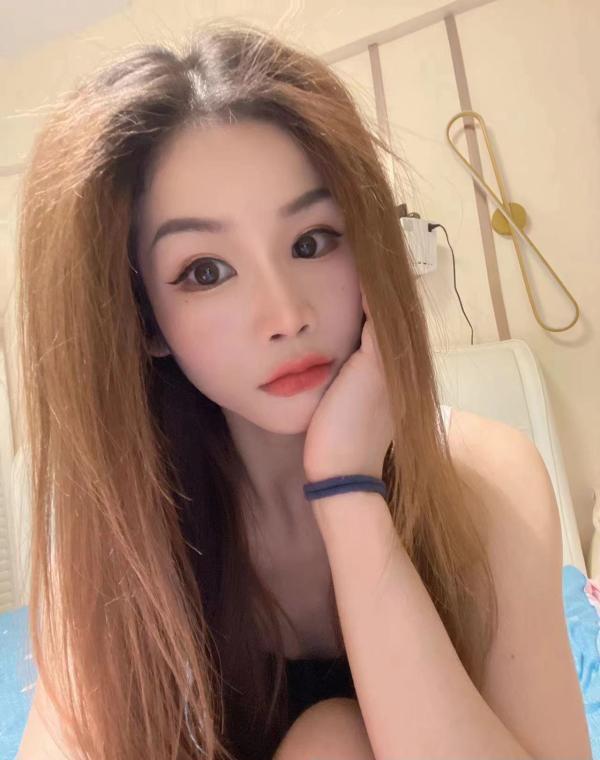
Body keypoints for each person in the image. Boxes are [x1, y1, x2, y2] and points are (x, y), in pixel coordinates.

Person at [16, 17, 522, 760]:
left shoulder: (489, 483)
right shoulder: (122, 535)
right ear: (144, 320)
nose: (286, 315)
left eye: (311, 242)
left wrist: (349, 489)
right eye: (206, 272)